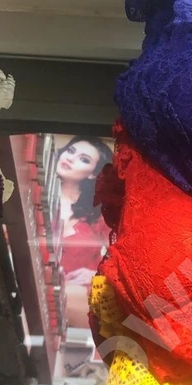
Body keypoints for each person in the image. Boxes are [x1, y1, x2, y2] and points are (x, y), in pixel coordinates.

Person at [56, 136, 112, 328]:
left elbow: (126, 259)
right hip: (35, 281)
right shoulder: (32, 189)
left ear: (92, 174)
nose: (70, 158)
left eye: (84, 159)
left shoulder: (98, 213)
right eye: (70, 151)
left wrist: (95, 275)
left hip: (83, 290)